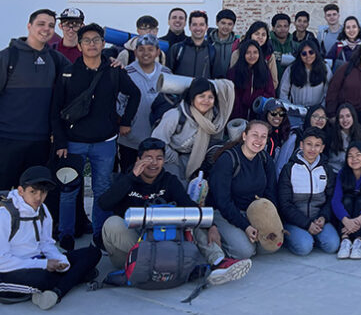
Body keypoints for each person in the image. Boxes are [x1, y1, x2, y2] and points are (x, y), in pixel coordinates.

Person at [99, 138, 252, 284]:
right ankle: (158, 265)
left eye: (159, 158)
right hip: (132, 250)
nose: (153, 163)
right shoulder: (126, 180)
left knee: (190, 218)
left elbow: (189, 205)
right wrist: (132, 176)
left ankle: (218, 262)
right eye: (148, 158)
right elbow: (104, 204)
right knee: (112, 223)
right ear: (138, 160)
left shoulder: (168, 180)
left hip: (162, 243)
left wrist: (212, 225)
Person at [51, 23, 141, 247]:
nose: (92, 44)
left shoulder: (113, 71)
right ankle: (66, 234)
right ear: (80, 45)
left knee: (102, 189)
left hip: (105, 142)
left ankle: (101, 234)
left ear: (103, 43)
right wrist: (60, 141)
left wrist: (125, 122)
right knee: (69, 188)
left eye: (96, 40)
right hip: (74, 142)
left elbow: (135, 94)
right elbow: (55, 109)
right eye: (87, 40)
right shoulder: (68, 73)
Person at [0, 166, 100, 309]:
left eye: (43, 192)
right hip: (10, 270)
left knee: (93, 253)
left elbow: (46, 243)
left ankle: (55, 289)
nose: (38, 198)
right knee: (45, 278)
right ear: (21, 191)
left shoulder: (42, 210)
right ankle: (61, 289)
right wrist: (43, 265)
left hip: (38, 262)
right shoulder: (4, 216)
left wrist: (60, 261)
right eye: (33, 192)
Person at [0, 9, 68, 193]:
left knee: (33, 202)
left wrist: (112, 62)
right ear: (29, 26)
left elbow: (83, 70)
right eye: (41, 24)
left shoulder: (54, 59)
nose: (46, 29)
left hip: (40, 144)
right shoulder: (7, 57)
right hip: (6, 142)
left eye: (51, 25)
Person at [206, 121, 285, 259]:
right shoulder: (228, 160)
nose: (258, 140)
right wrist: (245, 226)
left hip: (253, 211)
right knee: (245, 251)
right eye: (254, 135)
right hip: (225, 211)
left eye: (263, 136)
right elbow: (222, 201)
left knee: (269, 246)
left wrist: (270, 219)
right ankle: (217, 237)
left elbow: (270, 193)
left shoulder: (265, 159)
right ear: (244, 136)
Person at [151, 77, 235, 183]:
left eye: (210, 97)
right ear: (192, 98)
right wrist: (174, 158)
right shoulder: (175, 115)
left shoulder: (212, 119)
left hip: (193, 158)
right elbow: (157, 141)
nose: (206, 101)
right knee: (176, 185)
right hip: (170, 157)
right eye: (201, 96)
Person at [278, 127, 340, 256]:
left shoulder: (326, 169)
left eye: (317, 145)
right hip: (295, 220)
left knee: (332, 245)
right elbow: (285, 204)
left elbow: (330, 199)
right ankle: (300, 237)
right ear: (301, 145)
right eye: (309, 144)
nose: (312, 149)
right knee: (304, 248)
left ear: (322, 148)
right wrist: (306, 224)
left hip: (318, 218)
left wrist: (323, 217)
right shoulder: (289, 169)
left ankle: (312, 236)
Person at [117, 34, 171, 172]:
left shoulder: (167, 74)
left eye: (150, 49)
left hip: (157, 139)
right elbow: (118, 102)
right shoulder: (126, 73)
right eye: (141, 49)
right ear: (135, 52)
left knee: (153, 178)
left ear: (158, 52)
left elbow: (172, 103)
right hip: (131, 139)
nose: (146, 53)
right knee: (128, 175)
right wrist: (125, 121)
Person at [327, 40, 361, 159]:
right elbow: (333, 90)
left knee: (360, 155)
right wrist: (331, 114)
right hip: (344, 118)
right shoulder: (347, 68)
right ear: (360, 53)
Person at [332, 142, 361, 259]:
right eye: (350, 156)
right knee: (347, 200)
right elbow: (336, 200)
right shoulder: (343, 173)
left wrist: (359, 220)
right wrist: (346, 221)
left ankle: (359, 241)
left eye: (358, 155)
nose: (354, 159)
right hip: (346, 217)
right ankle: (345, 240)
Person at [278, 39, 330, 123]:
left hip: (317, 113)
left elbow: (328, 92)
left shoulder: (325, 68)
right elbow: (283, 92)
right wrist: (289, 108)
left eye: (311, 52)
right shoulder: (291, 69)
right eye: (304, 53)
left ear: (316, 52)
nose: (308, 56)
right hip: (295, 113)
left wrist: (321, 110)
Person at [275, 105, 332, 174]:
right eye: (316, 116)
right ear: (309, 117)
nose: (320, 120)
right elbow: (281, 163)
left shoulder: (327, 138)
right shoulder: (296, 135)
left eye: (323, 117)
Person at [227, 40, 275, 120]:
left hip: (259, 115)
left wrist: (256, 103)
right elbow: (231, 96)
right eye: (248, 52)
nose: (252, 56)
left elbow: (270, 93)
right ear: (243, 54)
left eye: (255, 52)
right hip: (238, 116)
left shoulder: (265, 71)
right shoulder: (233, 72)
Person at [168, 10, 218, 78]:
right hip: (181, 88)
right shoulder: (177, 49)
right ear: (189, 27)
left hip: (203, 88)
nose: (198, 28)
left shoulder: (212, 51)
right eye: (194, 24)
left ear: (206, 27)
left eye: (201, 24)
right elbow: (168, 76)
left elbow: (216, 78)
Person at [230, 20, 279, 85]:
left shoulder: (269, 55)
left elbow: (274, 82)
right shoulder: (238, 53)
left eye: (263, 35)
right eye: (257, 34)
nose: (260, 37)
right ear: (250, 35)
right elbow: (232, 77)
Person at [327, 103, 361, 173]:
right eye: (341, 117)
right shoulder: (331, 133)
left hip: (354, 171)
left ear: (353, 117)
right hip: (334, 170)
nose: (345, 120)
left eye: (348, 116)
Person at [208, 9, 238, 77]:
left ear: (233, 25)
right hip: (210, 82)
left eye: (230, 24)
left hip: (229, 83)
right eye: (223, 23)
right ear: (217, 23)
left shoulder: (237, 44)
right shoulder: (208, 41)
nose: (226, 27)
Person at [270, 13, 297, 79]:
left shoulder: (296, 46)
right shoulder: (267, 44)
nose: (283, 29)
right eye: (279, 26)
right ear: (273, 28)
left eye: (285, 26)